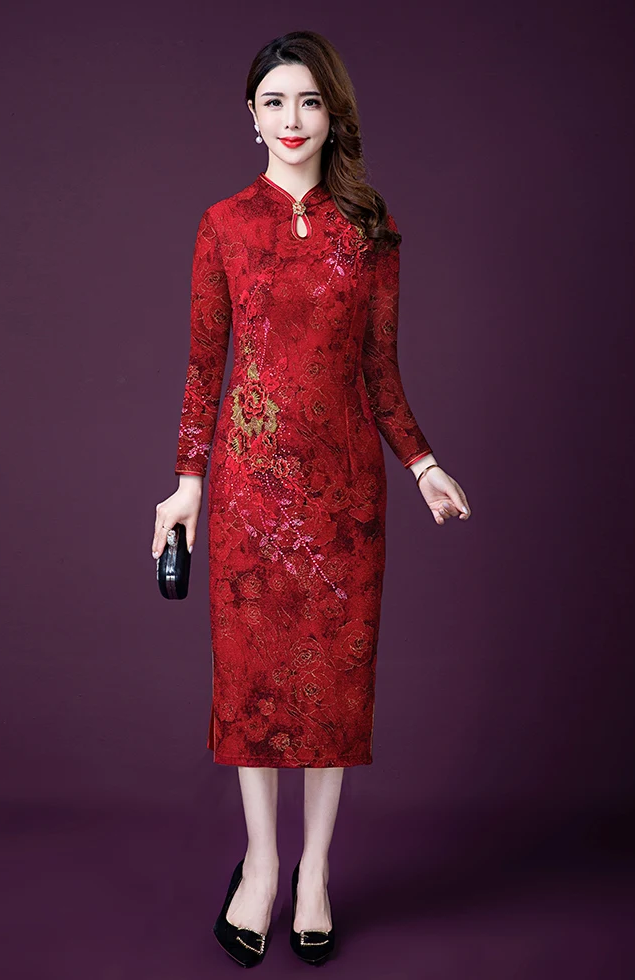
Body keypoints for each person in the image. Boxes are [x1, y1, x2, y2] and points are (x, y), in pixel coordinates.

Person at [151, 30, 470, 968]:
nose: (293, 120)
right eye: (275, 102)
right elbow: (204, 368)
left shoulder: (368, 228)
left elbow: (380, 371)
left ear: (333, 114)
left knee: (333, 694)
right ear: (250, 117)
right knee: (252, 689)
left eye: (310, 101)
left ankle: (316, 870)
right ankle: (260, 864)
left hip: (343, 503)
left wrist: (423, 465)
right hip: (251, 497)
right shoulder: (222, 224)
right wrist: (186, 488)